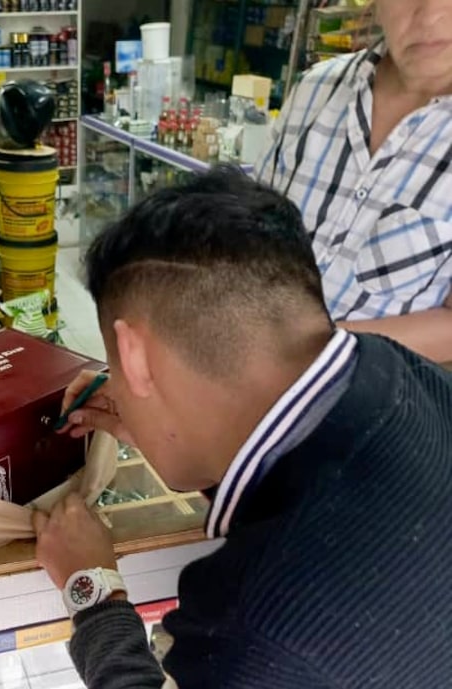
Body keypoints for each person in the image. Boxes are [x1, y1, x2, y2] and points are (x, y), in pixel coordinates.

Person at [34, 167, 452, 688]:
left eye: (115, 371)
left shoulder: (255, 629)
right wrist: (175, 432)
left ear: (134, 357)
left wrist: (92, 590)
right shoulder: (401, 371)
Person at [256, 0, 452, 363]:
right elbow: (249, 231)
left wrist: (310, 351)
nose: (429, 14)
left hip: (367, 403)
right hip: (240, 366)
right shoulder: (315, 89)